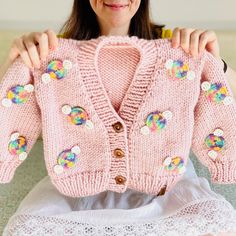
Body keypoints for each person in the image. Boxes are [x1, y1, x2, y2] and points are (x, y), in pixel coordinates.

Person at [1, 1, 236, 235]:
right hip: (76, 183)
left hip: (164, 185)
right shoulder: (50, 52)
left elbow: (219, 101)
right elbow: (13, 105)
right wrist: (13, 62)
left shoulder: (178, 48)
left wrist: (216, 62)